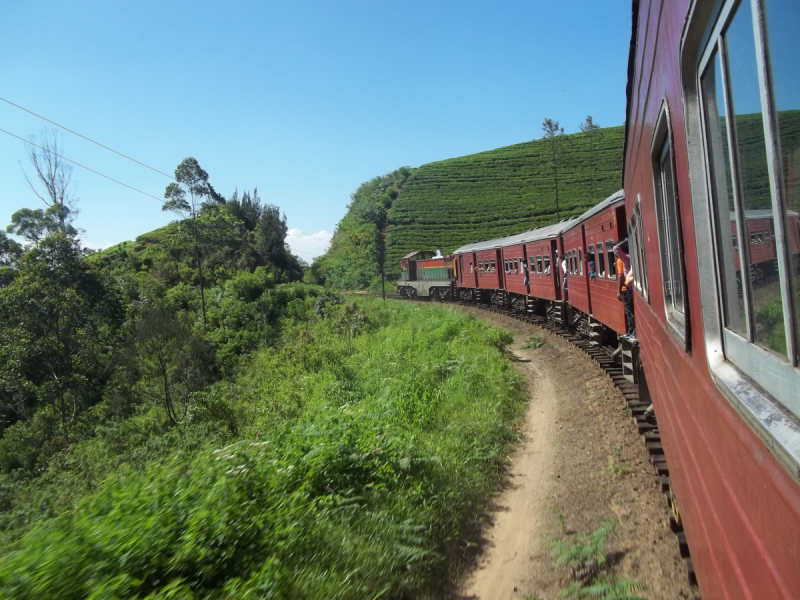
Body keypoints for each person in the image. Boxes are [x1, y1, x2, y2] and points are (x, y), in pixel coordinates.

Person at [614, 240, 635, 340]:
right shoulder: (632, 257)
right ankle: (631, 331)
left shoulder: (622, 259)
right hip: (629, 286)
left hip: (626, 288)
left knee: (629, 312)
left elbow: (621, 276)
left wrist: (619, 291)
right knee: (630, 312)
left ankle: (632, 332)